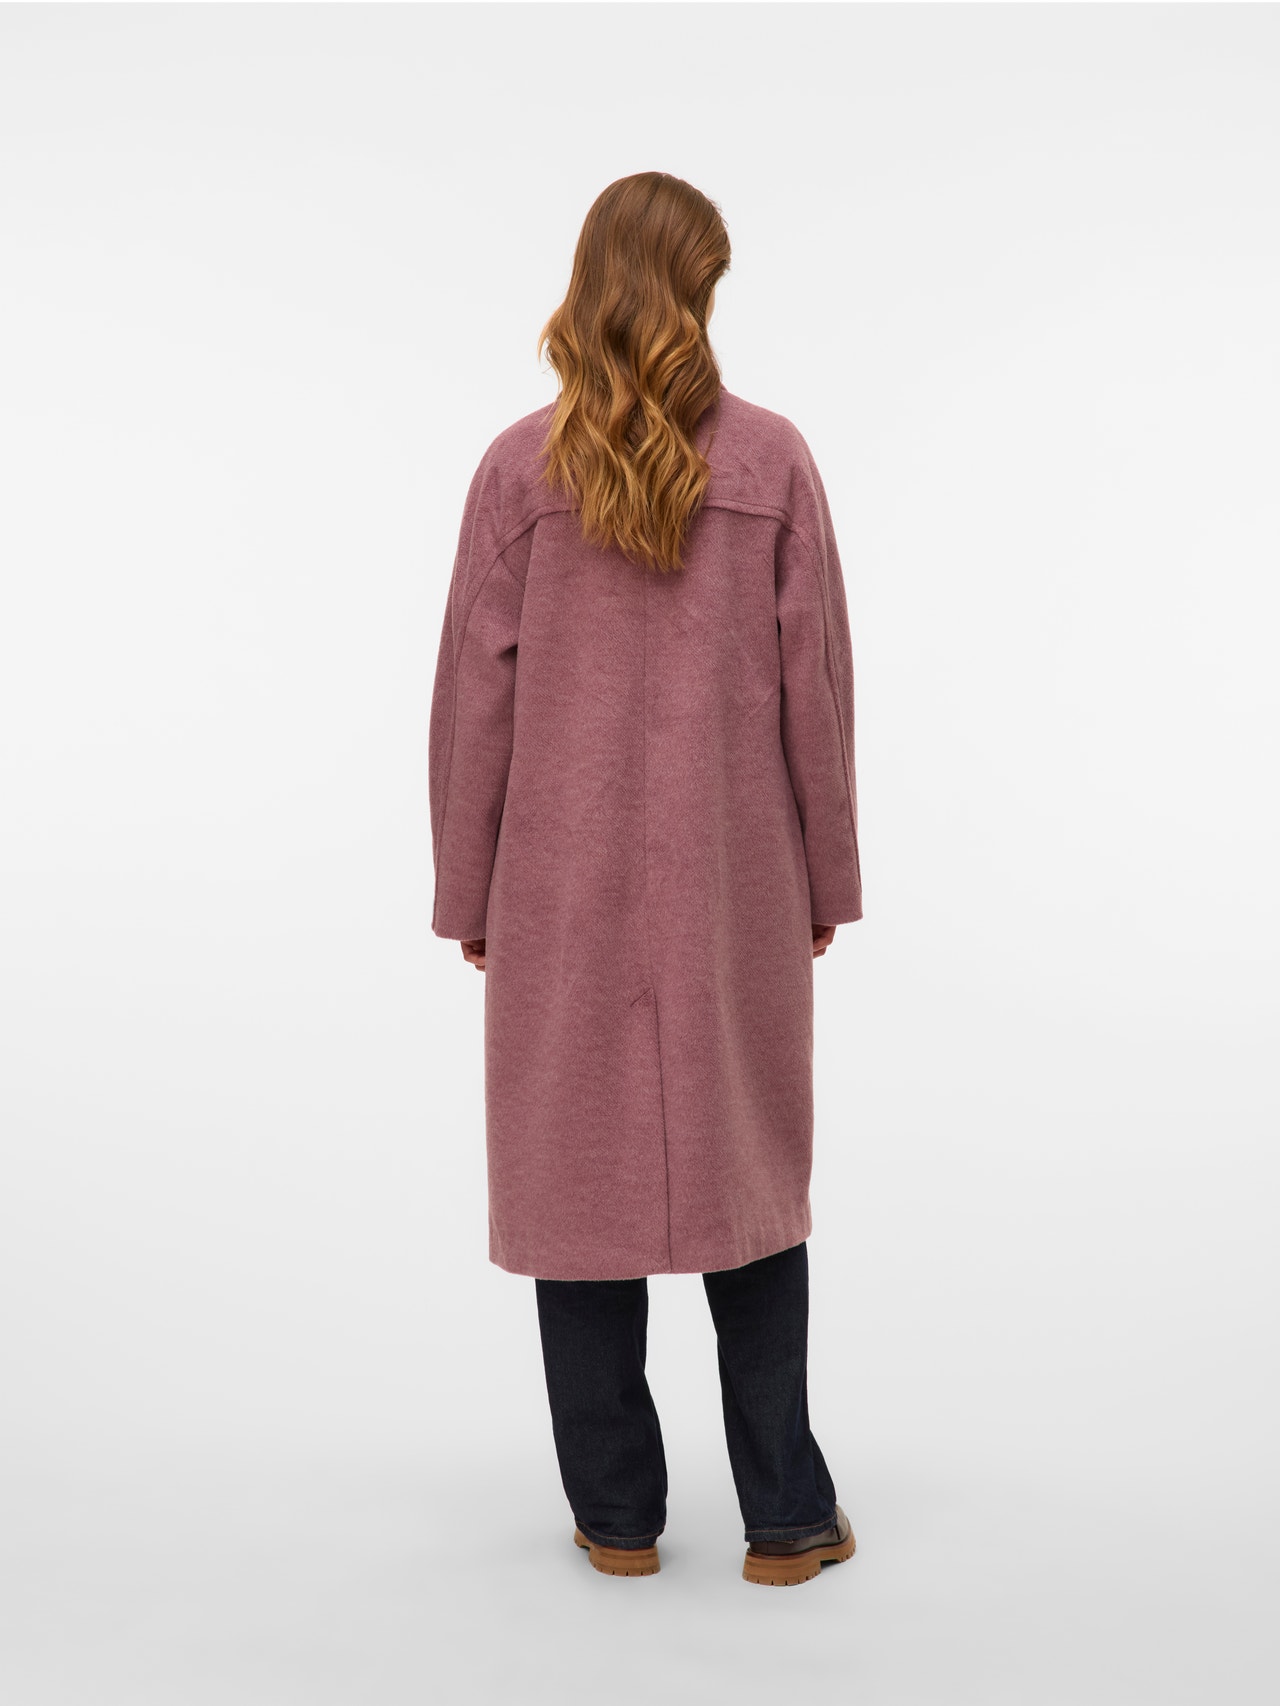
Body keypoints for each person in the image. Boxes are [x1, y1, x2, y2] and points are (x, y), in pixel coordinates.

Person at [428, 172, 862, 1587]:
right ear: (702, 289)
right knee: (751, 1174)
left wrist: (470, 893)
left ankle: (616, 1515)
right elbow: (818, 694)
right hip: (734, 883)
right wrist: (824, 876)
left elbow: (472, 707)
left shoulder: (516, 473)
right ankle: (786, 1514)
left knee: (576, 1179)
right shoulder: (774, 463)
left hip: (559, 884)